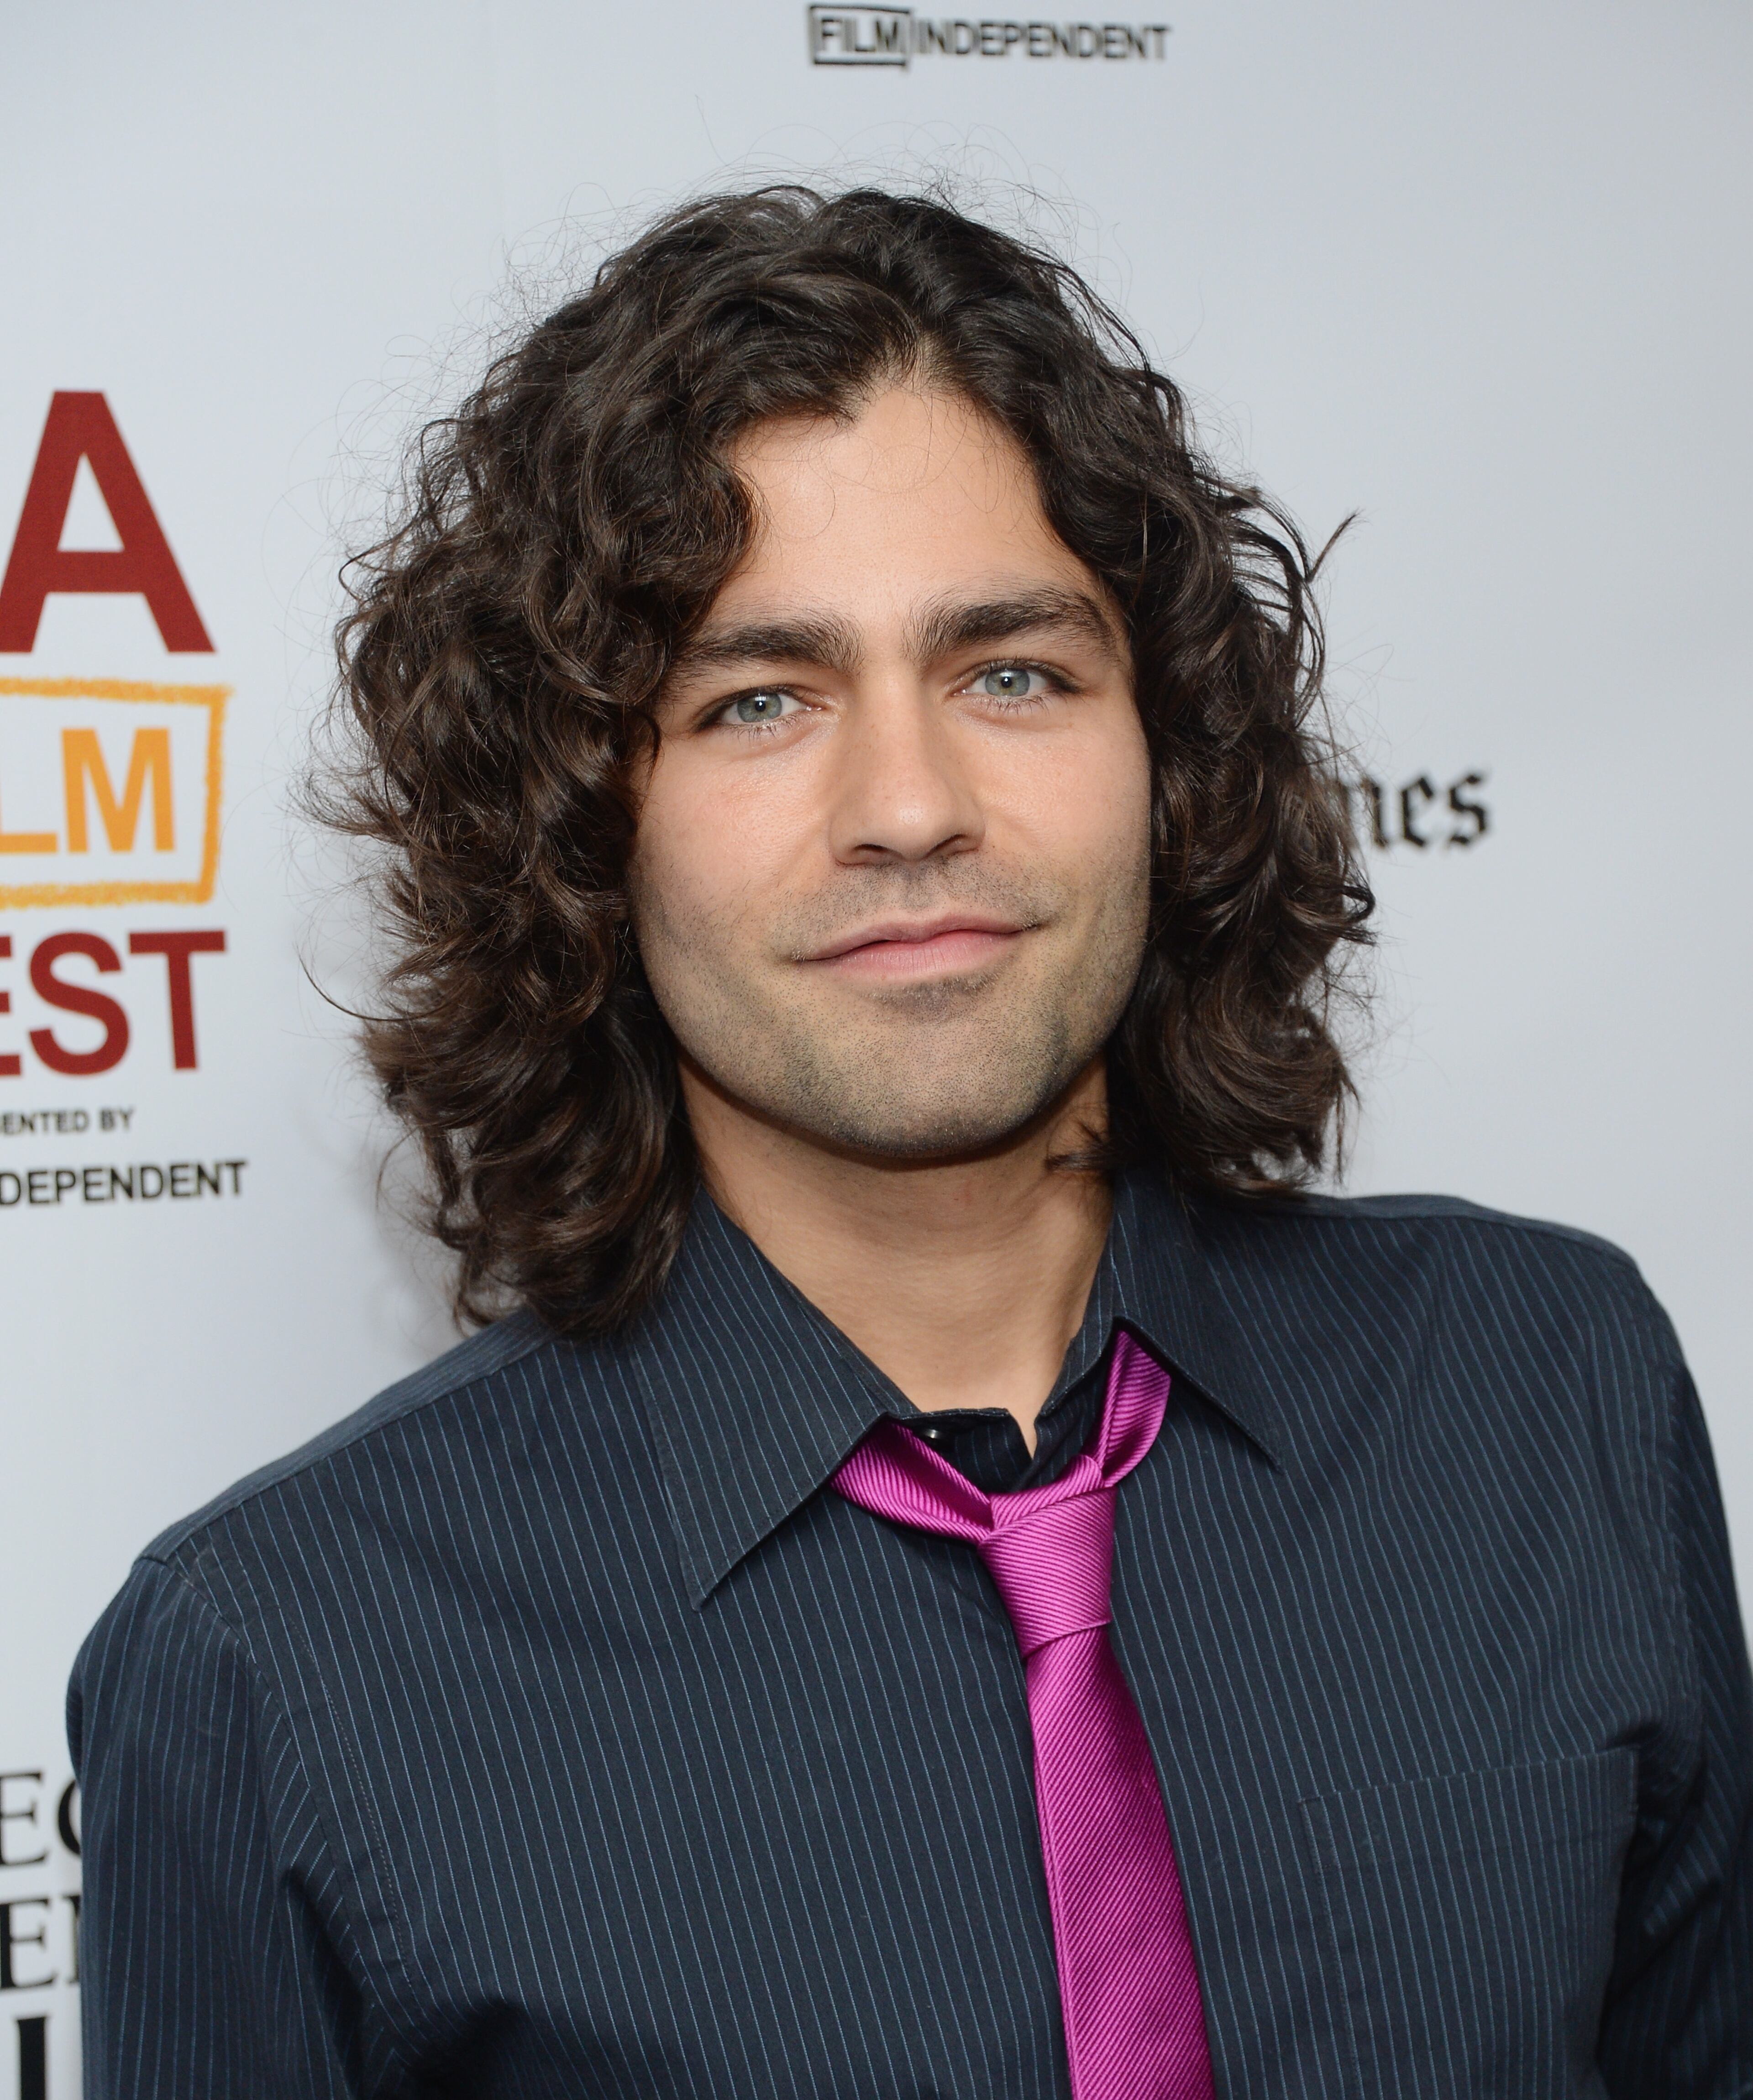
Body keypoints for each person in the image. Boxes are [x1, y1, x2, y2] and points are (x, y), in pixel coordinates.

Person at [70, 186, 1750, 2098]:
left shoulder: (1549, 1386)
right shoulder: (278, 1668)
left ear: (1175, 758)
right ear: (581, 833)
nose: (910, 804)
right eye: (760, 697)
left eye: (1011, 671)